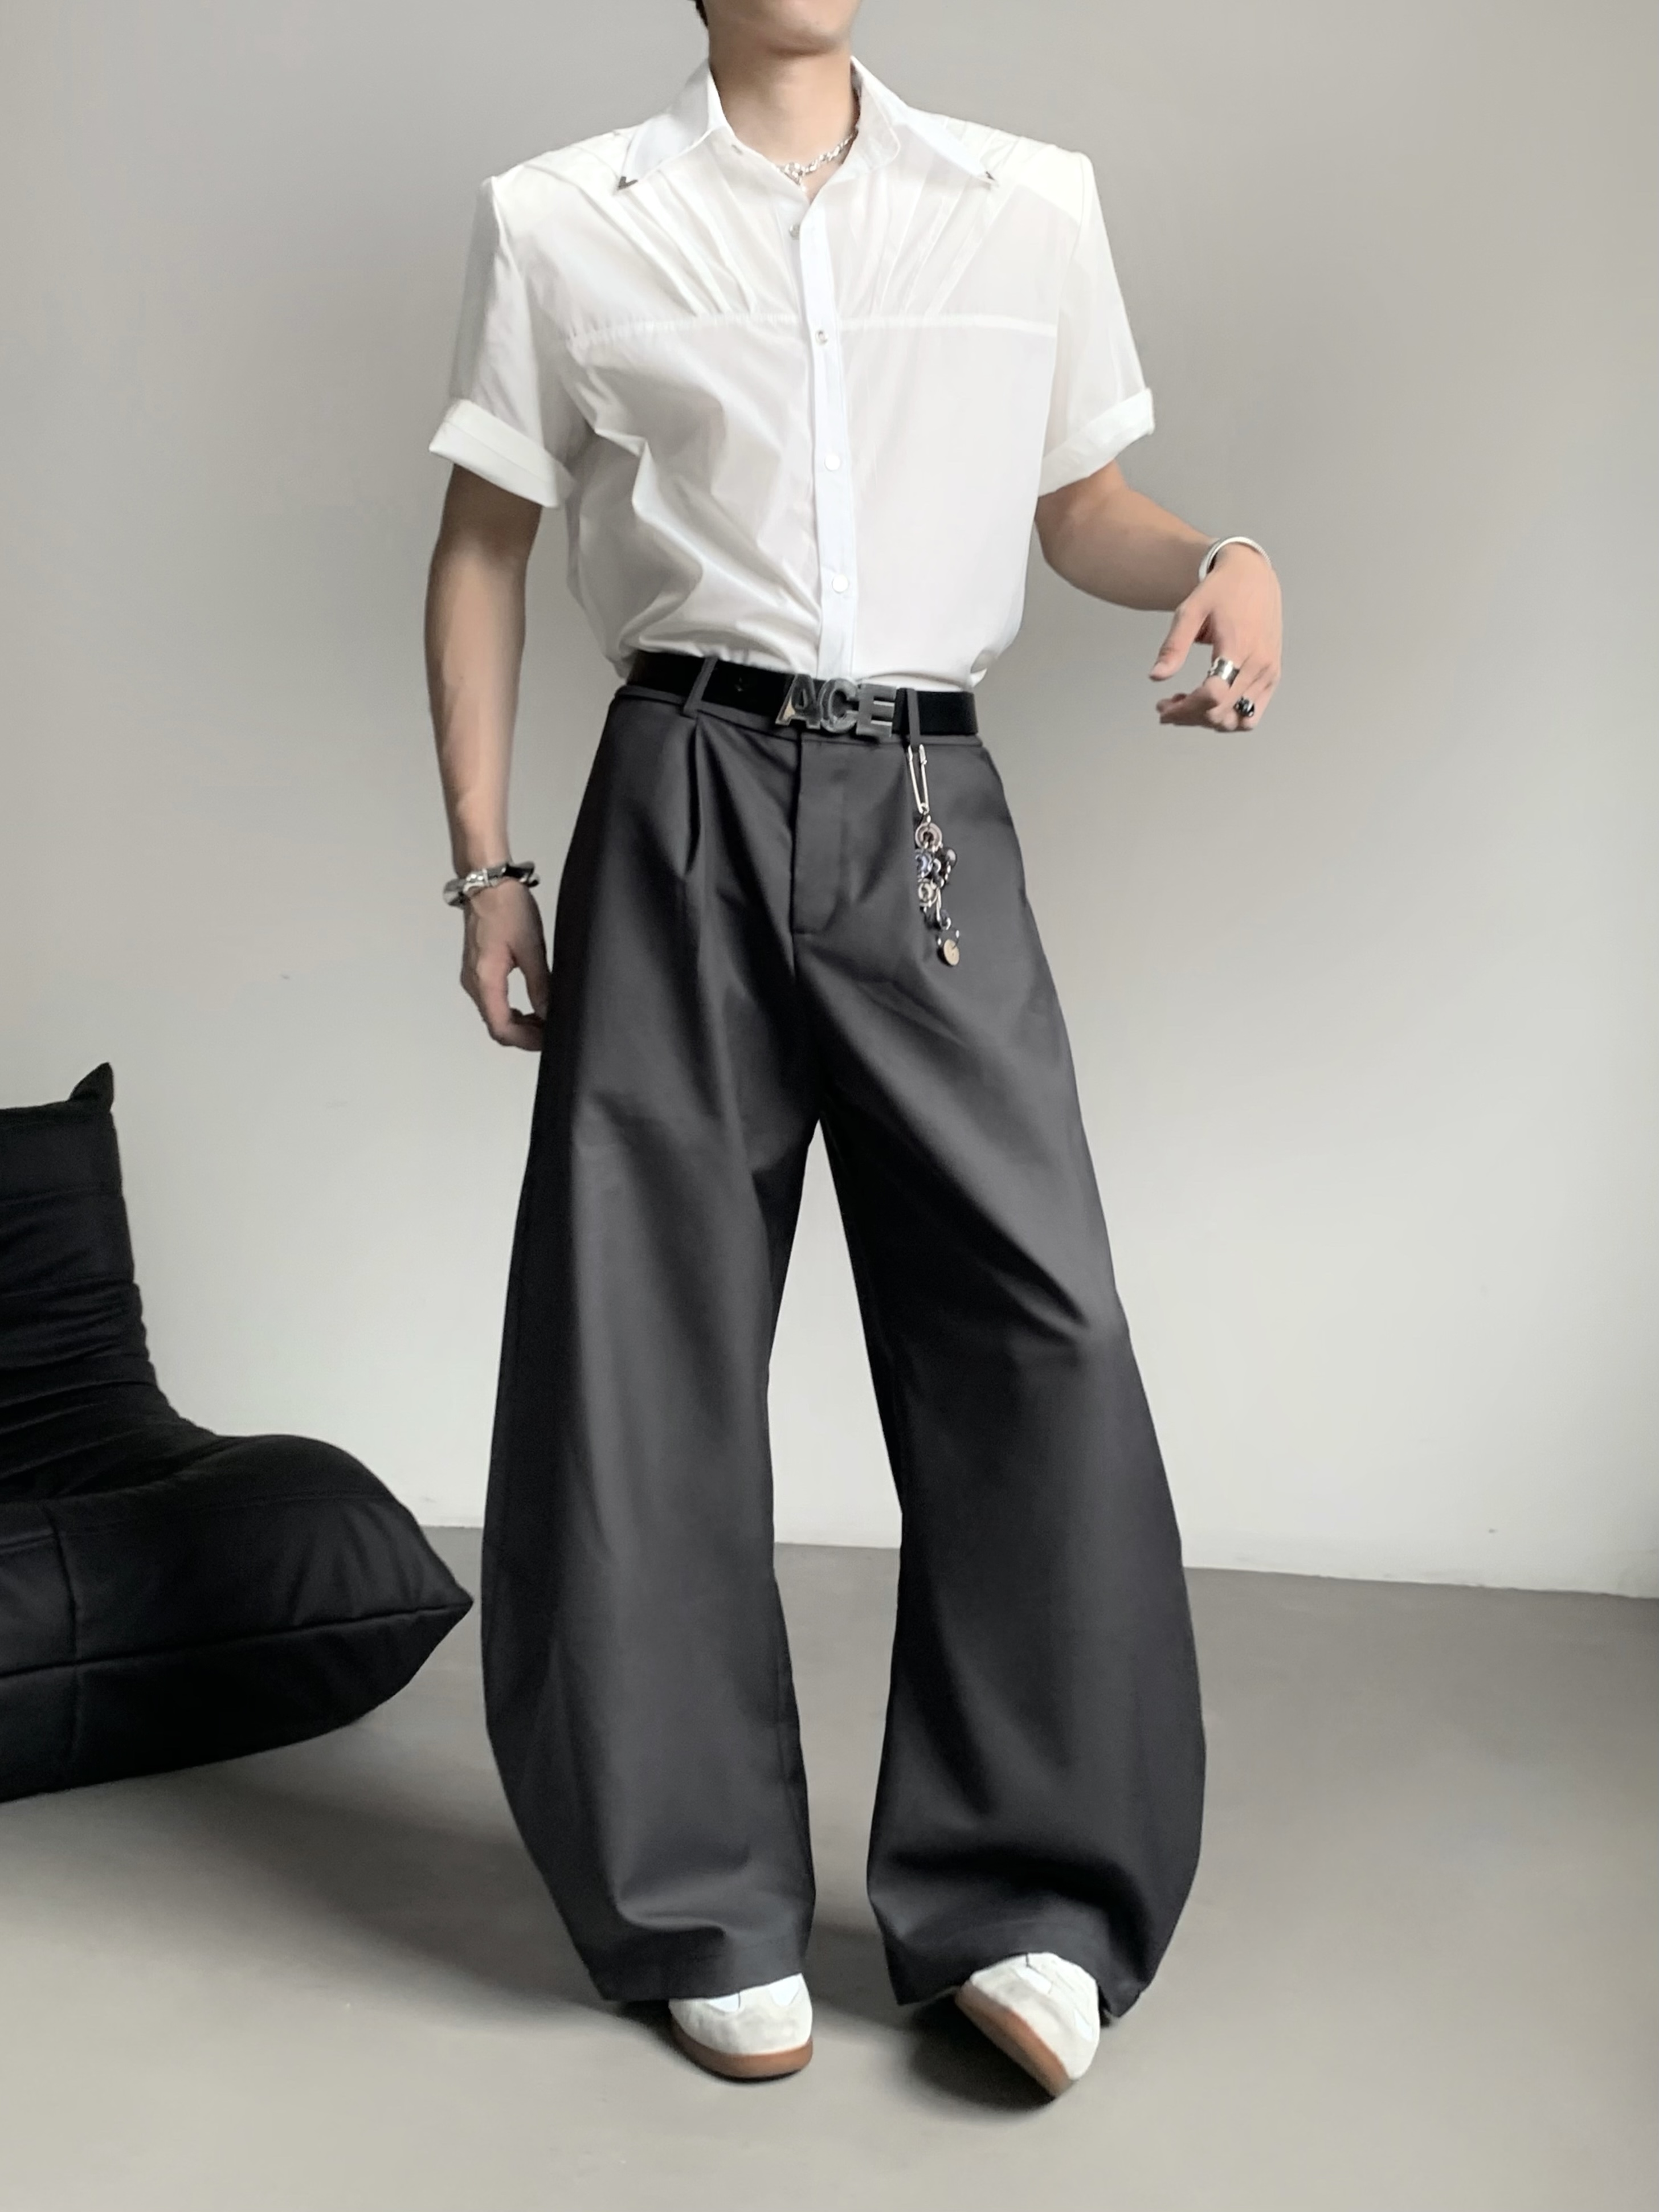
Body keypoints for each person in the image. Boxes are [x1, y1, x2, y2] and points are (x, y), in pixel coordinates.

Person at [423, 0, 1281, 2099]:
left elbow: (1083, 503)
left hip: (924, 801)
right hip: (679, 783)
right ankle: (692, 1893)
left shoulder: (1023, 203)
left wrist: (1221, 560)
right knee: (642, 1339)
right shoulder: (562, 219)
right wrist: (487, 865)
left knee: (1036, 1318)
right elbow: (484, 543)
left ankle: (1034, 1892)